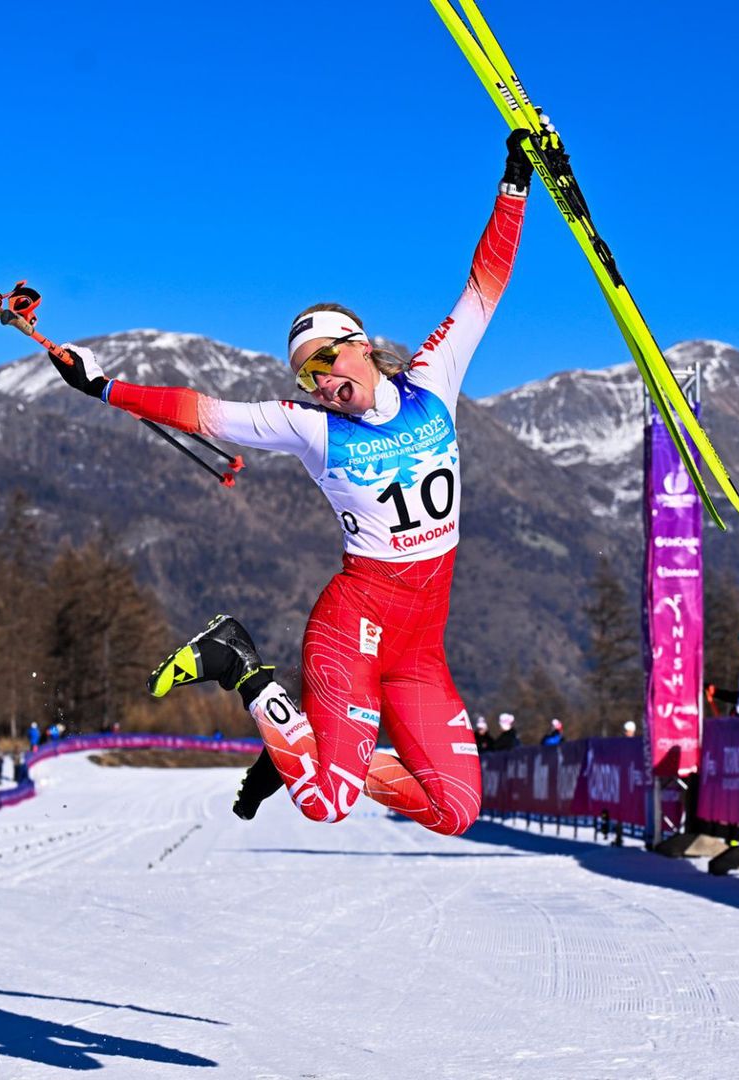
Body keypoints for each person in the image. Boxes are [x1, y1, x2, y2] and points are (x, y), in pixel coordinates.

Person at [75, 133, 533, 834]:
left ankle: (306, 747)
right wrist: (106, 387)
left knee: (456, 810)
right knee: (325, 804)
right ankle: (239, 665)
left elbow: (484, 286)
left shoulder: (434, 380)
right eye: (306, 374)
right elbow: (201, 410)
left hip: (420, 650)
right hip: (355, 627)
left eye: (326, 359)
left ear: (363, 344)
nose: (322, 381)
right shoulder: (312, 428)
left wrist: (515, 186)